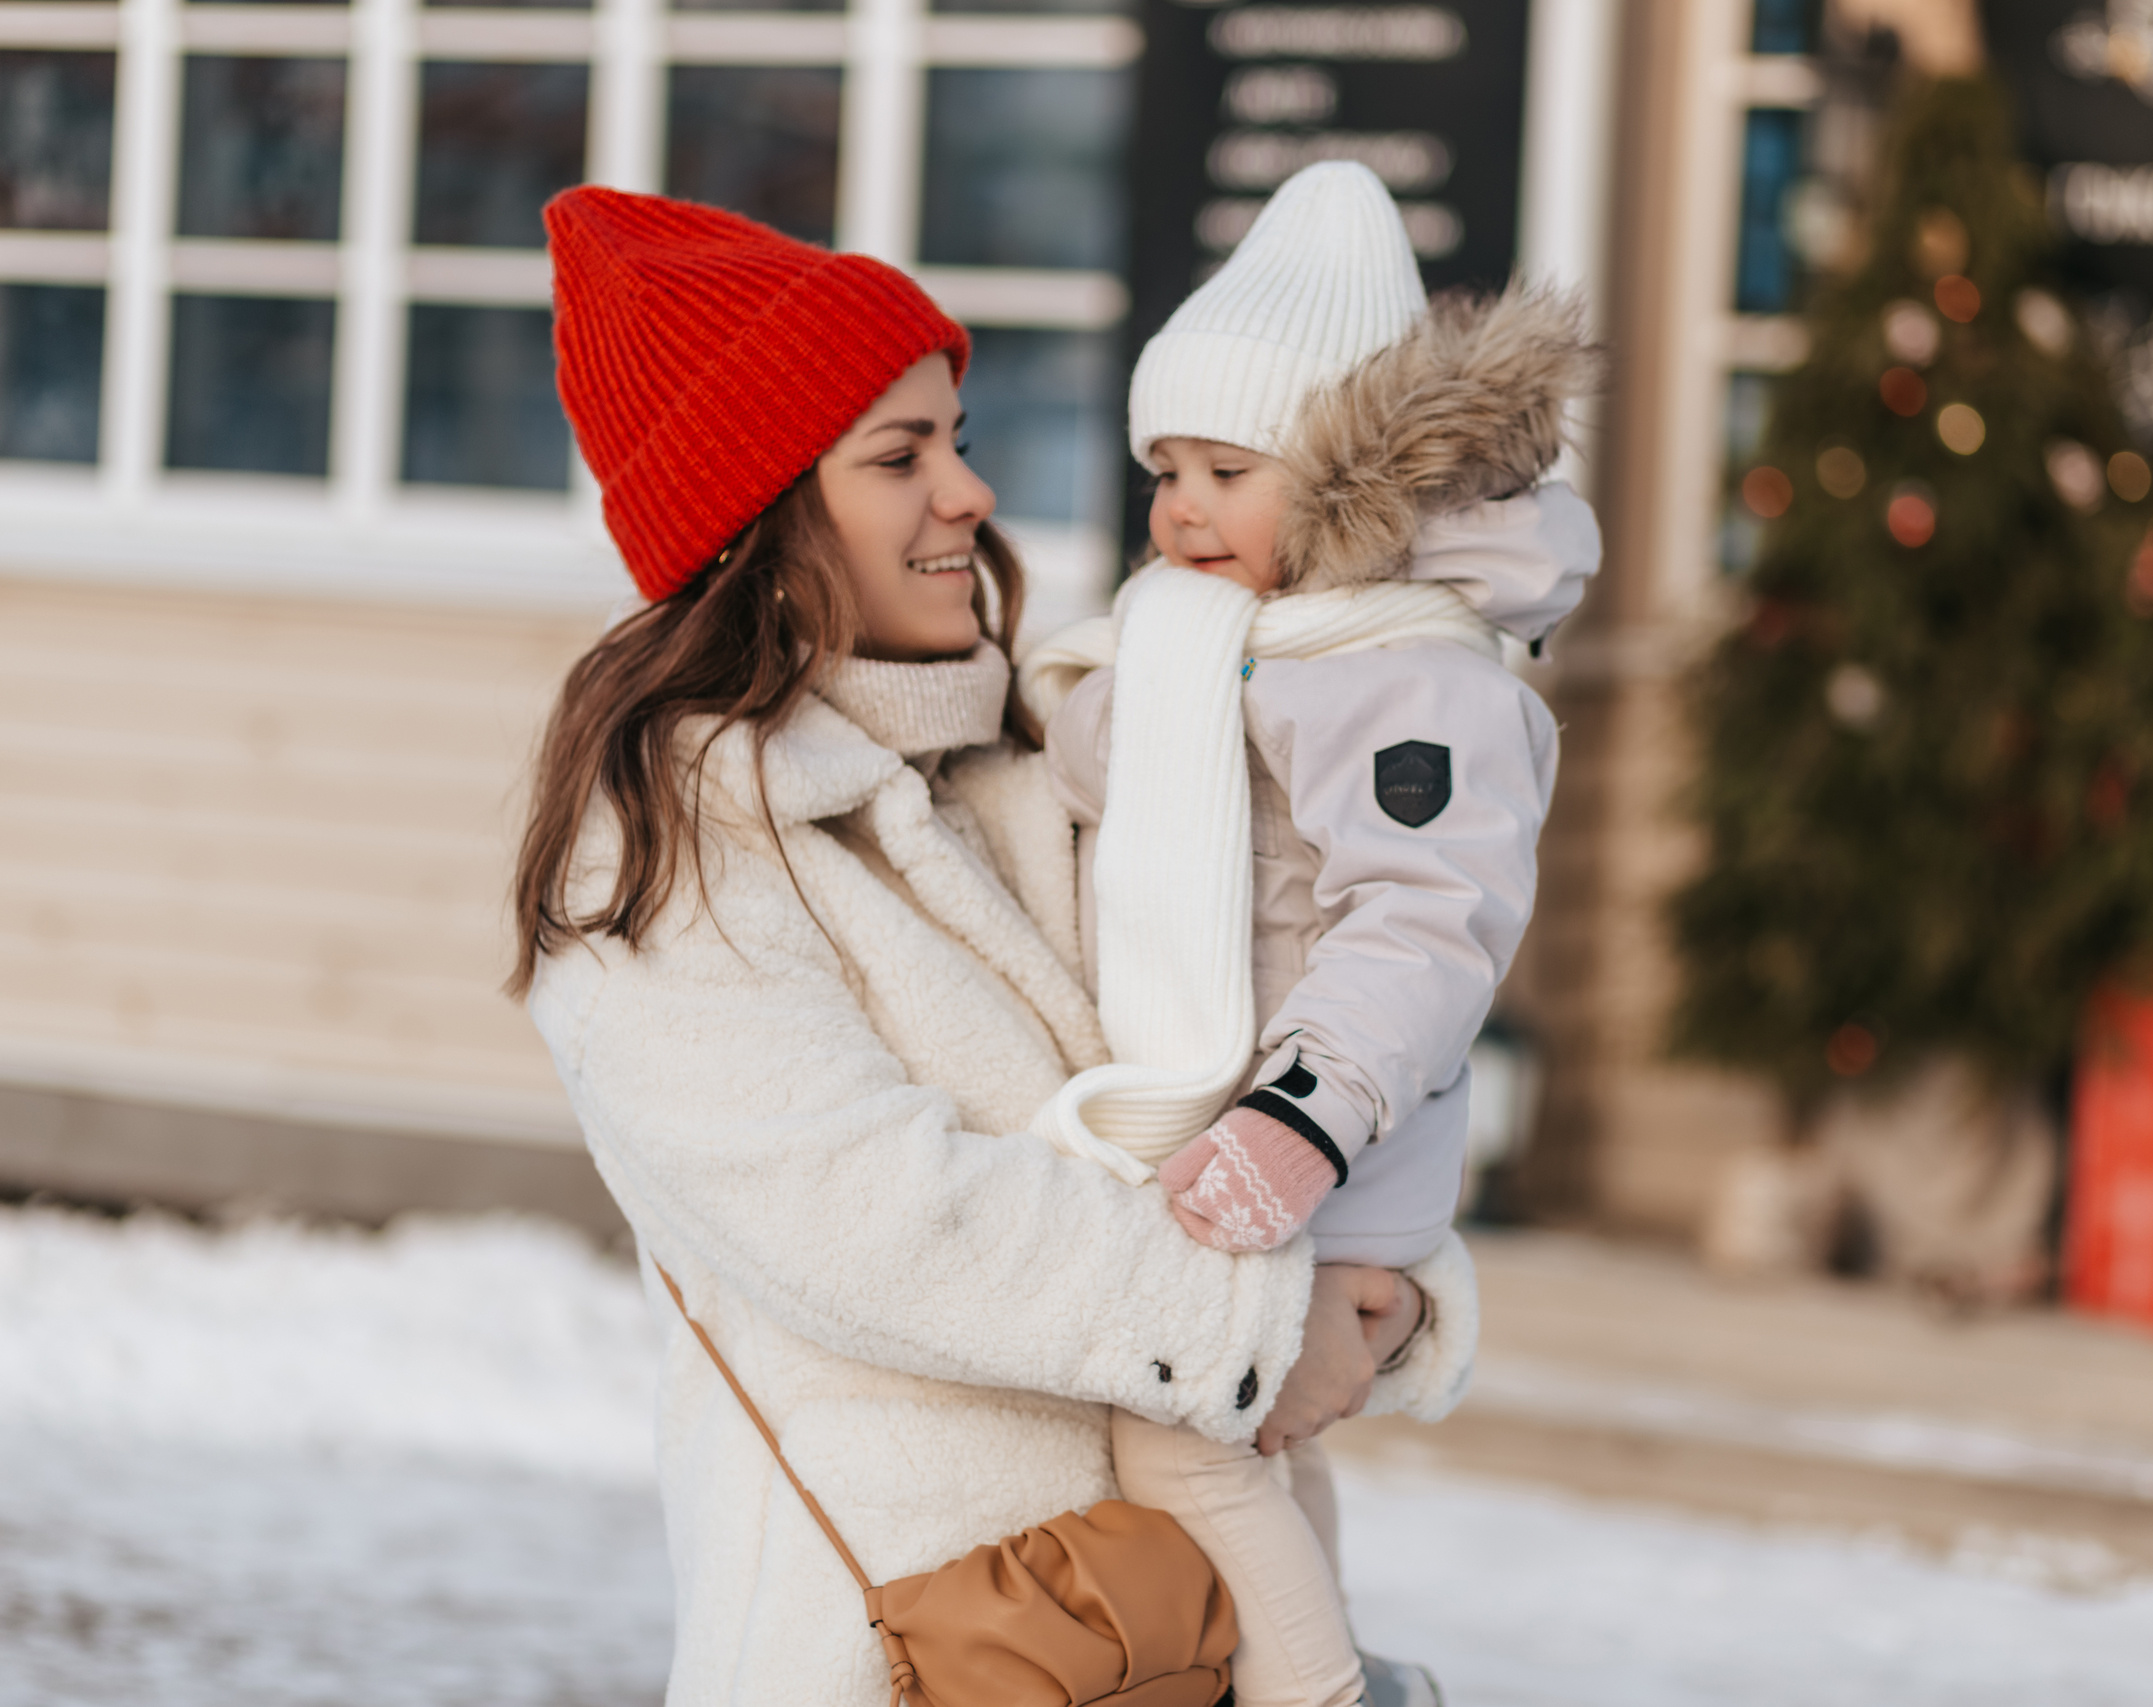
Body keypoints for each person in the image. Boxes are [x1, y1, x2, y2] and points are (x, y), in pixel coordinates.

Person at [509, 185, 1471, 1707]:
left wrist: (1388, 1278)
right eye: (900, 457)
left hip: (1187, 1634)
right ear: (757, 518)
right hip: (921, 1650)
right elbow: (870, 1212)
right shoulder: (666, 847)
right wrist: (1259, 1321)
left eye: (955, 437)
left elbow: (1279, 1017)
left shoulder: (1042, 756)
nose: (969, 491)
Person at [1019, 163, 1603, 1707]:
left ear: (1353, 489)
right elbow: (1097, 763)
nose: (1181, 508)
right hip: (1248, 1152)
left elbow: (1426, 926)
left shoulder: (1412, 679)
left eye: (1229, 469)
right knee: (1256, 1447)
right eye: (1166, 469)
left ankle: (1326, 1697)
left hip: (1312, 1157)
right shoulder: (1234, 649)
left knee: (1177, 1430)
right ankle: (1338, 1660)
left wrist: (1303, 1119)